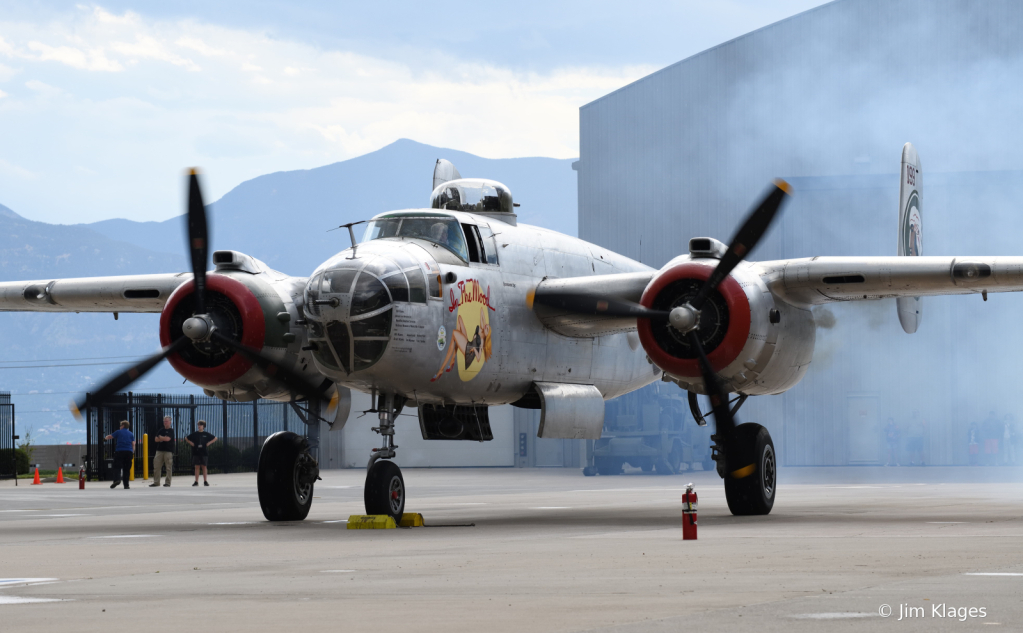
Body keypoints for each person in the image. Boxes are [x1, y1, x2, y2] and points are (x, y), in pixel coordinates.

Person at [104, 420, 135, 489]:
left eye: (120, 425)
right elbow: (133, 444)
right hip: (129, 452)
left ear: (123, 426)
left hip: (120, 452)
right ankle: (126, 485)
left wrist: (105, 438)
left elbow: (110, 436)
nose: (120, 426)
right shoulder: (131, 434)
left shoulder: (118, 432)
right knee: (126, 469)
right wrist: (132, 452)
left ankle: (117, 480)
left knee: (117, 467)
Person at [185, 421, 217, 487]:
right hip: (196, 451)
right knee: (197, 466)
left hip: (204, 452)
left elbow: (215, 438)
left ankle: (205, 481)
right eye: (198, 425)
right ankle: (196, 481)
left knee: (204, 466)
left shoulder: (206, 434)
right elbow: (186, 438)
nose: (199, 426)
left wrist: (209, 443)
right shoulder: (195, 434)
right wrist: (192, 444)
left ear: (203, 426)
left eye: (201, 425)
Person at [150, 416, 175, 487]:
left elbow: (168, 439)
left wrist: (161, 438)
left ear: (170, 422)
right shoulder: (161, 430)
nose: (165, 423)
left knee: (168, 467)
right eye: (164, 421)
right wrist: (162, 438)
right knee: (156, 466)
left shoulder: (171, 431)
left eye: (166, 421)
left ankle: (167, 482)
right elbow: (155, 439)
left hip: (168, 451)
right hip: (159, 450)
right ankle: (156, 482)